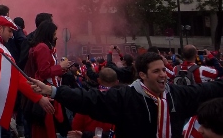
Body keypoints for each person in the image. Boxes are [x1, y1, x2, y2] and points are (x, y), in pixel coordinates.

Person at [30, 52, 223, 138]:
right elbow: (88, 99)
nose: (163, 74)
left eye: (164, 70)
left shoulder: (177, 96)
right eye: (156, 71)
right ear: (142, 75)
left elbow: (210, 90)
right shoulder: (126, 97)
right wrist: (52, 91)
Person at [25, 20, 71, 138]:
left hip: (48, 89)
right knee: (46, 128)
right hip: (46, 92)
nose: (56, 37)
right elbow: (43, 71)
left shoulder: (43, 47)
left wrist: (61, 69)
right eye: (54, 34)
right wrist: (60, 67)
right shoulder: (42, 47)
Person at [68, 67, 119, 138]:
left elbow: (76, 128)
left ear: (98, 80)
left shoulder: (88, 98)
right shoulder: (123, 100)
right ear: (117, 82)